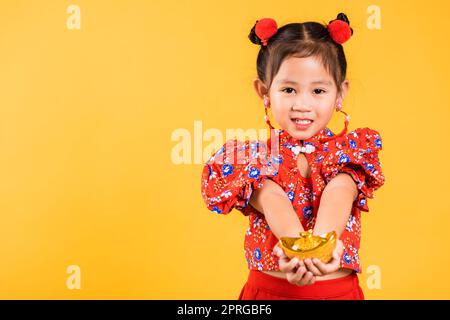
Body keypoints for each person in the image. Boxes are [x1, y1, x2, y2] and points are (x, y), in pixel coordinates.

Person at [200, 13, 385, 300]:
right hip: (270, 294)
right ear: (264, 92)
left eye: (318, 90)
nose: (302, 104)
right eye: (288, 89)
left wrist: (322, 247)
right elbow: (272, 200)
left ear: (340, 94)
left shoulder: (348, 153)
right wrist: (297, 247)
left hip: (338, 293)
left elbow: (339, 192)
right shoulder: (254, 160)